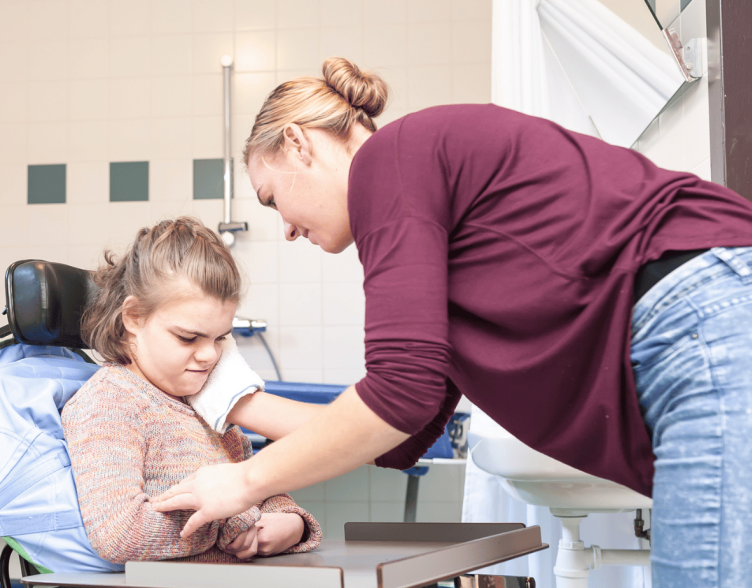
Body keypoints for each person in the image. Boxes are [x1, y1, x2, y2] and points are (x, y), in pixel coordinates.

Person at [150, 58, 752, 587]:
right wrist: (235, 400)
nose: (282, 226)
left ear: (298, 144)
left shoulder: (390, 160)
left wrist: (245, 481)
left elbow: (398, 394)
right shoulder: (423, 210)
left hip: (707, 316)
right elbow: (403, 427)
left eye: (270, 197)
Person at [61, 217, 321, 567]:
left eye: (220, 338)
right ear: (134, 316)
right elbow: (119, 534)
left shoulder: (206, 402)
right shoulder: (110, 402)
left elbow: (262, 491)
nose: (209, 355)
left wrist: (291, 524)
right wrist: (232, 523)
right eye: (188, 337)